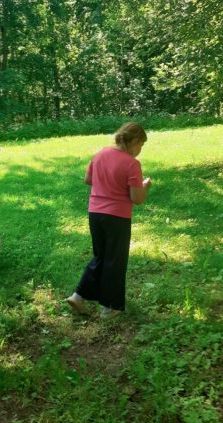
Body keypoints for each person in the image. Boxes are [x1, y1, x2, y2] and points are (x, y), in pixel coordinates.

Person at [67, 122, 152, 318]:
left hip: (95, 213)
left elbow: (88, 180)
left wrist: (107, 182)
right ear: (135, 141)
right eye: (141, 145)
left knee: (101, 256)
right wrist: (145, 186)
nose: (140, 150)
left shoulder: (100, 155)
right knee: (115, 260)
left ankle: (78, 296)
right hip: (117, 217)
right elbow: (137, 198)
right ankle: (110, 307)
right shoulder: (132, 164)